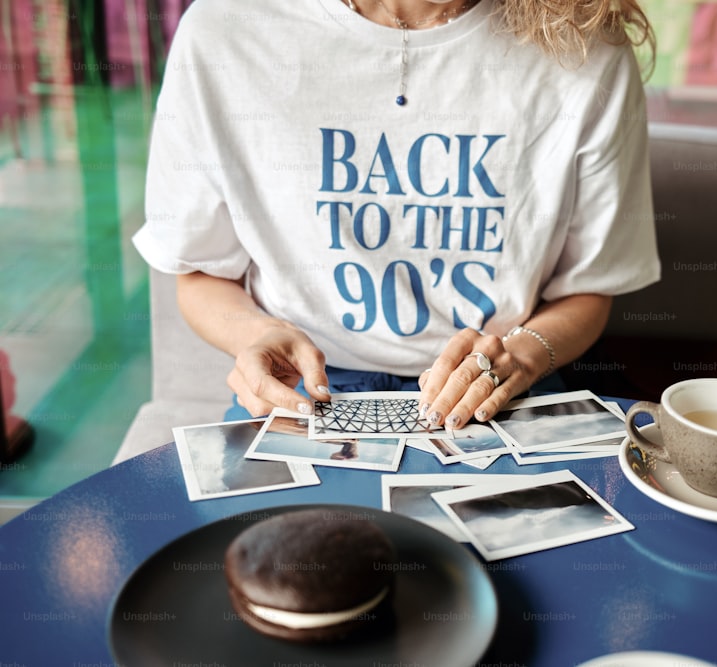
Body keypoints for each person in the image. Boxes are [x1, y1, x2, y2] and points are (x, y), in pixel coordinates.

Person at [134, 0, 661, 431]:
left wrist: (521, 357)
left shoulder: (585, 41)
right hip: (309, 384)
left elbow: (589, 289)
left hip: (499, 389)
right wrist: (253, 334)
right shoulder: (226, 30)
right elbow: (199, 271)